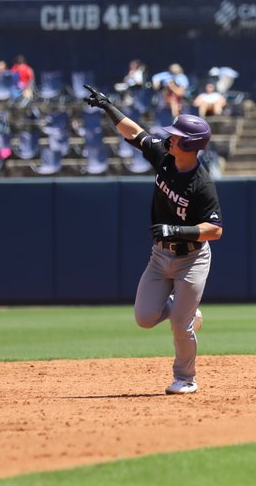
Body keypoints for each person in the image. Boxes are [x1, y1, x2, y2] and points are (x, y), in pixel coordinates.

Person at [83, 85, 222, 394]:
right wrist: (108, 107)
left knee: (180, 326)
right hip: (160, 257)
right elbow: (135, 134)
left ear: (188, 144)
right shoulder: (164, 156)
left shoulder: (201, 184)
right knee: (145, 318)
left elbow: (215, 230)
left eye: (175, 135)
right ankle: (184, 307)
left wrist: (178, 230)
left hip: (192, 259)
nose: (169, 137)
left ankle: (186, 379)